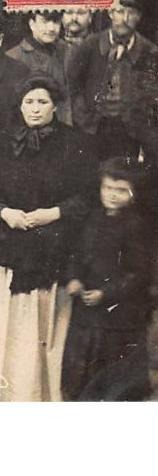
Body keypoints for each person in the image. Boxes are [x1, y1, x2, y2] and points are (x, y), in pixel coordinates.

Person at [0, 75, 98, 401]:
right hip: (10, 241)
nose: (35, 109)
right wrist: (5, 213)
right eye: (29, 102)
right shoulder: (1, 143)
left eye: (42, 102)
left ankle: (36, 388)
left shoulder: (76, 143)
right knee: (5, 318)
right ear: (20, 106)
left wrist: (54, 213)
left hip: (54, 244)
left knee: (44, 322)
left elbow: (87, 197)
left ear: (55, 106)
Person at [61, 157, 153, 401]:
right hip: (86, 310)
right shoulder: (92, 218)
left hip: (117, 314)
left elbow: (139, 273)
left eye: (121, 190)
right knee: (80, 367)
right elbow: (77, 254)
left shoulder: (136, 225)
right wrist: (74, 278)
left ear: (134, 193)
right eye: (108, 188)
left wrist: (107, 293)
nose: (113, 195)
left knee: (112, 369)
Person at [66, 0, 158, 161]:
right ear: (110, 14)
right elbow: (73, 85)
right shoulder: (89, 46)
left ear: (139, 17)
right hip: (93, 127)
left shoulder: (149, 51)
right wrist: (83, 118)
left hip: (130, 132)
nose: (124, 19)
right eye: (120, 12)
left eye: (131, 13)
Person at [6, 10, 71, 124]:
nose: (51, 28)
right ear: (32, 24)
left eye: (56, 21)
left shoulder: (67, 52)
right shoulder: (13, 57)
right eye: (44, 21)